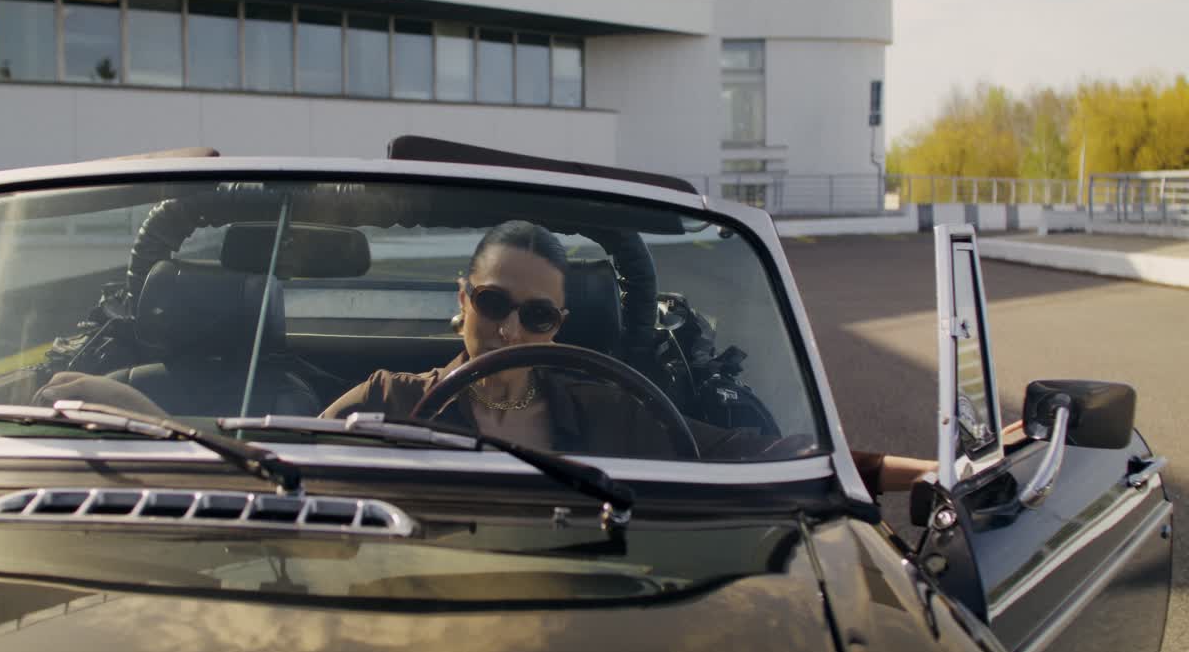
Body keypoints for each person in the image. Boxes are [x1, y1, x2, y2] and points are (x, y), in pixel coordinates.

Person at [322, 220, 938, 495]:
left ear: (559, 326)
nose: (510, 327)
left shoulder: (611, 409)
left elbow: (754, 453)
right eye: (492, 301)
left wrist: (922, 471)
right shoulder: (387, 401)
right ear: (463, 298)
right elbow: (261, 468)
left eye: (536, 314)